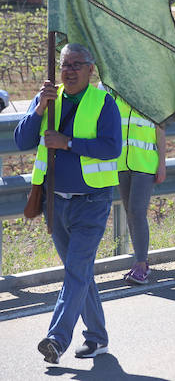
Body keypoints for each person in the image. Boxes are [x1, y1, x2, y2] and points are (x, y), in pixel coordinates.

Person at [15, 43, 122, 363]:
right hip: (55, 203)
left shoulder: (103, 102)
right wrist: (38, 110)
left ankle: (56, 339)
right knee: (81, 273)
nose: (69, 70)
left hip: (92, 201)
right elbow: (21, 141)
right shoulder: (48, 97)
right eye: (65, 64)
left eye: (77, 64)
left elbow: (111, 148)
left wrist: (68, 143)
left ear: (91, 69)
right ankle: (97, 337)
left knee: (75, 273)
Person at [114, 93, 167, 285]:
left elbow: (160, 132)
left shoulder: (150, 97)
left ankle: (142, 265)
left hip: (145, 165)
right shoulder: (114, 97)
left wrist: (162, 164)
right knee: (130, 213)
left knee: (137, 212)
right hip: (122, 165)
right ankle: (139, 260)